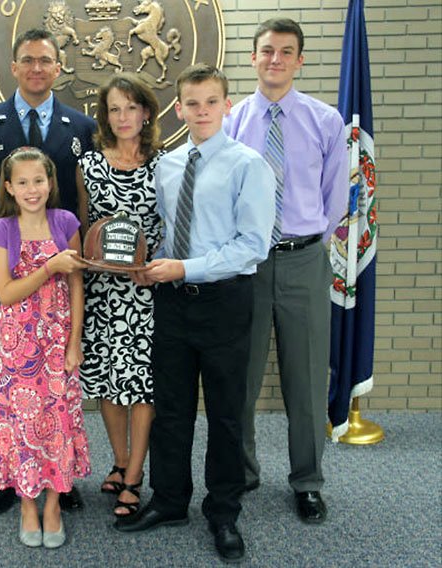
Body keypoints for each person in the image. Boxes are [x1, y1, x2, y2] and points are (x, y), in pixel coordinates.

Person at [114, 64, 275, 564]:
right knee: (172, 408)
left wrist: (184, 266)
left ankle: (223, 511)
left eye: (211, 102)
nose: (201, 111)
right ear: (177, 108)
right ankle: (170, 500)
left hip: (225, 301)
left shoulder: (249, 165)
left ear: (227, 106)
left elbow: (253, 246)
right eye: (192, 103)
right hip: (171, 304)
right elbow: (167, 228)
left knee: (226, 414)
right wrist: (149, 267)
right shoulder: (168, 164)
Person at [0, 28, 95, 514]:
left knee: (56, 388)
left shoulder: (81, 126)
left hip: (60, 289)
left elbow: (83, 205)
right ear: (13, 67)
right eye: (28, 60)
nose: (37, 68)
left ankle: (59, 476)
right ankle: (7, 479)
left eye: (46, 61)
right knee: (9, 382)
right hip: (6, 281)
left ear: (59, 68)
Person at [223, 18, 348, 524]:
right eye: (267, 50)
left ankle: (307, 481)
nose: (275, 59)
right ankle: (245, 471)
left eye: (286, 52)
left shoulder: (325, 120)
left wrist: (302, 238)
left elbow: (335, 198)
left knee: (306, 377)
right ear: (252, 58)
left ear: (300, 61)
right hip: (246, 266)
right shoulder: (232, 122)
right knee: (241, 378)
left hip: (302, 262)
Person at [0, 147, 91, 548]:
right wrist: (49, 267)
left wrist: (75, 340)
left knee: (58, 425)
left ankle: (53, 504)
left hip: (57, 344)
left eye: (39, 181)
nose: (33, 189)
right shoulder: (2, 230)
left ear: (51, 183)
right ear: (10, 187)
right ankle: (27, 504)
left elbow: (77, 284)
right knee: (23, 426)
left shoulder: (65, 222)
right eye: (23, 182)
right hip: (18, 347)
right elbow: (5, 293)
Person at [76, 73, 163, 518]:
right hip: (103, 293)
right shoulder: (88, 165)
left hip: (147, 292)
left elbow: (172, 227)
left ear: (146, 112)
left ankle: (135, 475)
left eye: (131, 107)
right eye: (114, 108)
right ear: (105, 116)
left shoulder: (165, 163)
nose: (123, 116)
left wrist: (158, 268)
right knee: (109, 381)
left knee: (142, 385)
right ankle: (120, 459)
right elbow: (80, 228)